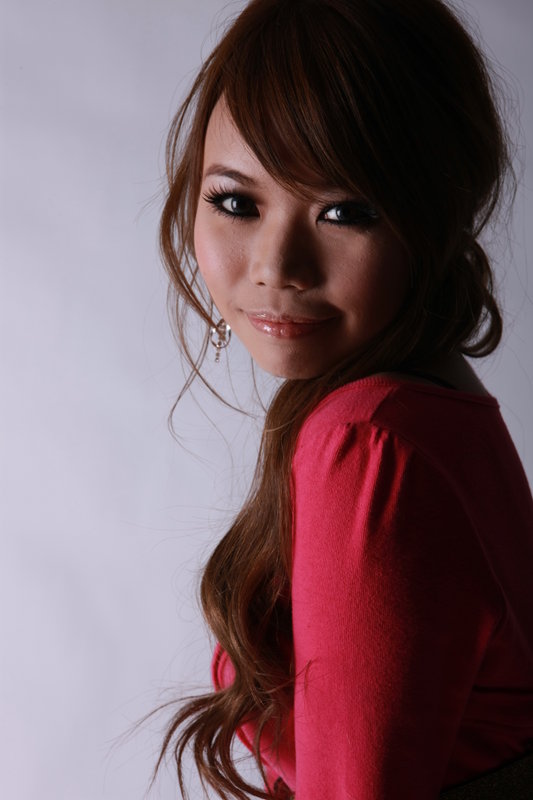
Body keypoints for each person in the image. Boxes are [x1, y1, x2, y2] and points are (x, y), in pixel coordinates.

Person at [154, 0, 533, 797]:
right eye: (236, 202)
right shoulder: (436, 411)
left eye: (343, 212)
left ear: (434, 216)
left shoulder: (373, 446)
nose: (276, 265)